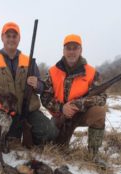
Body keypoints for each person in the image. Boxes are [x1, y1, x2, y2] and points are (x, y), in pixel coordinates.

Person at [0, 22, 58, 146]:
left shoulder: (29, 61)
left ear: (19, 39)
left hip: (29, 111)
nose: (11, 39)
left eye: (14, 36)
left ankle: (33, 138)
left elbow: (41, 87)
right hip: (3, 112)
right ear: (2, 38)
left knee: (50, 133)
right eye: (8, 36)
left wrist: (37, 84)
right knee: (6, 143)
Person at [40, 34, 107, 164]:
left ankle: (93, 154)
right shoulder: (53, 71)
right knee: (57, 149)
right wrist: (61, 108)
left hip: (82, 114)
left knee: (99, 112)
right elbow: (44, 97)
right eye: (68, 48)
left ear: (80, 50)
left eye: (75, 48)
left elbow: (102, 98)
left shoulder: (91, 72)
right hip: (60, 116)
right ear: (63, 50)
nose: (71, 52)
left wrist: (81, 103)